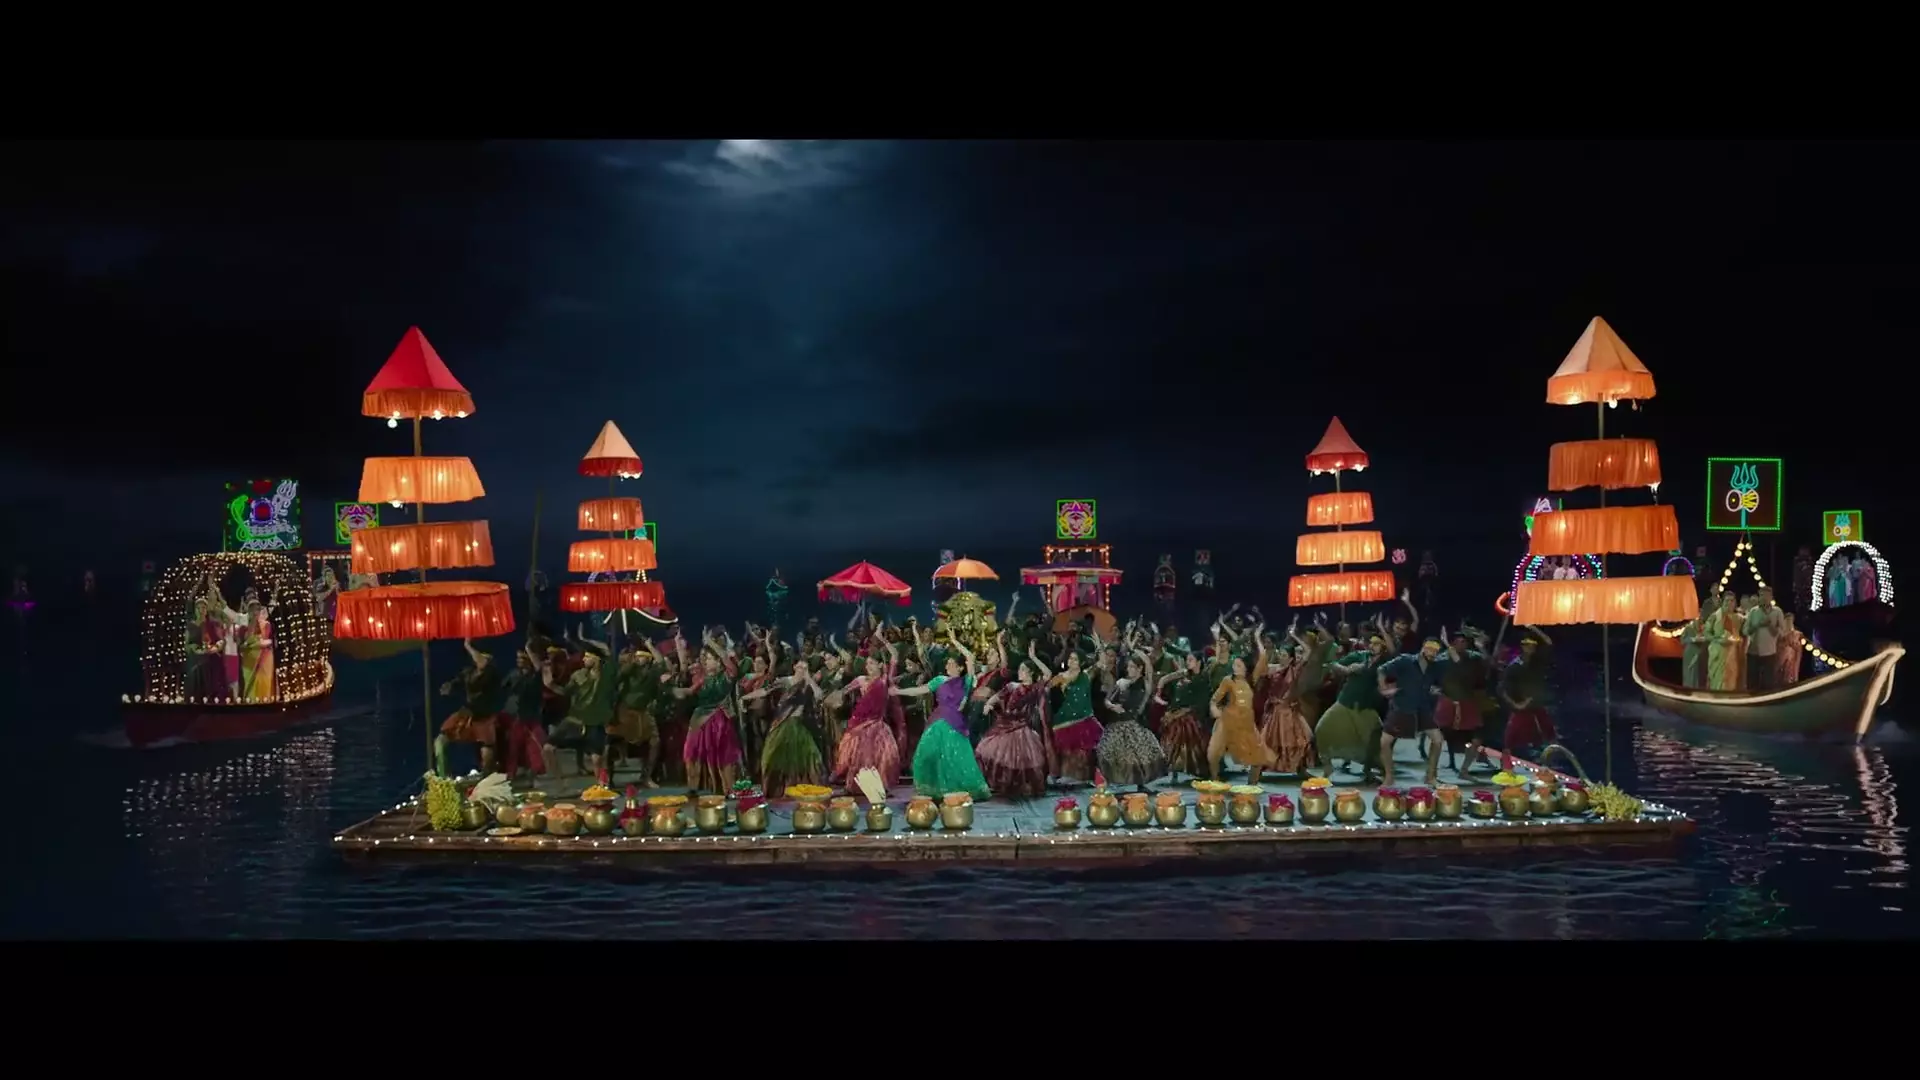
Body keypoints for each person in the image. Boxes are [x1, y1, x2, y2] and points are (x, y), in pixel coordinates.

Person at [893, 634, 992, 799]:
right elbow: (921, 690)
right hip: (938, 721)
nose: (948, 666)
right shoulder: (940, 680)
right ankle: (935, 789)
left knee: (953, 759)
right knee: (925, 753)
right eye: (947, 663)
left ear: (960, 668)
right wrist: (898, 691)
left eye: (952, 664)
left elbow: (970, 657)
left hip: (955, 724)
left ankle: (954, 792)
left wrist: (954, 641)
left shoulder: (966, 682)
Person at [669, 630, 743, 794]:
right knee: (691, 751)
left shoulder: (727, 675)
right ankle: (693, 788)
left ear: (719, 663)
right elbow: (689, 691)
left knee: (724, 756)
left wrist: (711, 642)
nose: (705, 662)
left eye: (709, 659)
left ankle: (728, 789)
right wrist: (671, 690)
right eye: (705, 659)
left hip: (719, 721)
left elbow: (725, 657)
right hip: (699, 719)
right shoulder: (703, 679)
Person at [1207, 623, 1278, 784]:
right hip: (1227, 721)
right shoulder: (1228, 681)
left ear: (1246, 668)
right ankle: (1214, 782)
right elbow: (1214, 700)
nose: (1235, 667)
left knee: (1258, 757)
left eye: (1239, 665)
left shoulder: (1251, 680)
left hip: (1246, 724)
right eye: (1234, 665)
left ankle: (1251, 785)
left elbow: (1263, 657)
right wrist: (1214, 709)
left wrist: (1257, 637)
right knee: (1213, 754)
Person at [543, 625, 618, 779]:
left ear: (596, 659)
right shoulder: (578, 675)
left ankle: (601, 787)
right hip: (576, 719)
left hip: (595, 721)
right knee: (548, 748)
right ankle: (560, 785)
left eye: (587, 657)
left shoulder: (607, 673)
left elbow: (605, 649)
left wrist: (583, 639)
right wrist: (551, 686)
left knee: (597, 759)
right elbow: (565, 692)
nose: (583, 659)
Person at [1314, 634, 1390, 782]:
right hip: (1346, 701)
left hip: (1366, 706)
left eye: (1376, 644)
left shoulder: (1385, 663)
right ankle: (1327, 768)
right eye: (1371, 643)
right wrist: (1347, 669)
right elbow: (1334, 664)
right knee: (1321, 729)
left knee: (1373, 740)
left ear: (1383, 646)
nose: (1372, 646)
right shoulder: (1360, 655)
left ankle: (1368, 770)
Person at [831, 640, 905, 792]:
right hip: (859, 724)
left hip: (877, 726)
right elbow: (842, 691)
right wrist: (836, 694)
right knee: (857, 755)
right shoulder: (861, 680)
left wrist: (882, 639)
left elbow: (895, 656)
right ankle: (855, 785)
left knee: (880, 757)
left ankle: (877, 786)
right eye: (867, 664)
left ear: (880, 665)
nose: (868, 666)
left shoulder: (885, 680)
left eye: (872, 663)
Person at [747, 657, 826, 797]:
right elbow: (765, 691)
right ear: (794, 667)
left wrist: (809, 679)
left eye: (805, 668)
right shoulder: (784, 681)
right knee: (770, 755)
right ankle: (773, 788)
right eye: (800, 667)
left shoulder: (807, 684)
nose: (802, 671)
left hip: (798, 725)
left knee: (810, 758)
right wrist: (745, 697)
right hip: (781, 723)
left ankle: (803, 789)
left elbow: (819, 695)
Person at [978, 656, 1052, 798]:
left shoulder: (1036, 688)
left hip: (1022, 728)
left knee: (1024, 760)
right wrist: (988, 704)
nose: (1019, 672)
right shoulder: (1012, 686)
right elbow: (997, 696)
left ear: (1031, 672)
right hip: (1006, 725)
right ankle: (1001, 784)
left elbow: (1048, 674)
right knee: (988, 750)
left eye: (1023, 669)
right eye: (1019, 669)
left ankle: (1020, 787)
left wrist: (1033, 657)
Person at [1096, 649, 1168, 791]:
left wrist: (1137, 651)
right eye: (1128, 666)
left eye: (1132, 667)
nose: (1129, 669)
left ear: (1139, 669)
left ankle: (1141, 784)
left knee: (1139, 754)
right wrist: (1113, 707)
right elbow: (1107, 700)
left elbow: (1149, 670)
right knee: (1107, 752)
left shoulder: (1145, 685)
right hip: (1117, 722)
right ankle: (1109, 784)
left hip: (1134, 723)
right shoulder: (1122, 683)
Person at [1378, 637, 1445, 787]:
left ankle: (1430, 777)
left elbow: (1437, 685)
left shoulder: (1435, 666)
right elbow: (1382, 670)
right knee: (1384, 742)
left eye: (1435, 651)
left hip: (1423, 707)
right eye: (1430, 649)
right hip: (1402, 706)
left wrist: (1435, 690)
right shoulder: (1406, 660)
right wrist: (1384, 689)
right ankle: (1389, 777)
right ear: (1423, 647)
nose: (1432, 653)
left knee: (1438, 740)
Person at [437, 637, 504, 776]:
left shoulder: (491, 671)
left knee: (486, 751)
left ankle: (488, 775)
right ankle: (444, 777)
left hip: (485, 716)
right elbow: (458, 681)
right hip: (468, 713)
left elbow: (483, 665)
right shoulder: (468, 672)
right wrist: (449, 686)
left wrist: (468, 645)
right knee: (441, 741)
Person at [1434, 625, 1492, 775]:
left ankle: (1464, 769)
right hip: (1448, 702)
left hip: (1467, 702)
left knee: (1477, 737)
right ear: (1453, 643)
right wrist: (1433, 688)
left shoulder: (1473, 657)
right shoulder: (1441, 659)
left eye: (1464, 642)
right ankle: (1434, 768)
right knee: (1441, 736)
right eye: (1459, 642)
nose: (1463, 644)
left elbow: (1487, 662)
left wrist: (1481, 647)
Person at [1499, 627, 1556, 772]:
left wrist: (1533, 628)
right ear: (1522, 646)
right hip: (1522, 708)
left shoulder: (1538, 661)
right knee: (1510, 739)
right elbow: (1502, 690)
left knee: (1550, 736)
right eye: (1528, 645)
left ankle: (1547, 768)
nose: (1531, 648)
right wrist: (1516, 705)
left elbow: (1548, 642)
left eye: (1533, 645)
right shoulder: (1514, 666)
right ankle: (1506, 768)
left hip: (1537, 706)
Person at [1047, 651, 1104, 785]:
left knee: (1081, 751)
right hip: (1066, 718)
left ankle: (1080, 777)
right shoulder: (1061, 676)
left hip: (1083, 717)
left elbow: (1100, 663)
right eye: (1070, 658)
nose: (1071, 661)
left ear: (1081, 662)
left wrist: (1100, 647)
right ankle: (1064, 774)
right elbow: (1045, 687)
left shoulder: (1086, 675)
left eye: (1075, 659)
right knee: (1067, 749)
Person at [611, 644, 662, 786]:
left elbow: (662, 662)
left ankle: (647, 776)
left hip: (644, 712)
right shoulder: (630, 671)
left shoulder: (653, 672)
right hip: (625, 712)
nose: (638, 658)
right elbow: (617, 679)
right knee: (612, 741)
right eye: (637, 656)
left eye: (641, 656)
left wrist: (650, 646)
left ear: (648, 658)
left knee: (655, 742)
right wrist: (630, 664)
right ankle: (607, 778)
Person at [1155, 651, 1211, 781]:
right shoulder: (1185, 674)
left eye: (1191, 660)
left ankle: (1187, 767)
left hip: (1192, 713)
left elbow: (1199, 703)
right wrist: (1159, 689)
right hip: (1177, 708)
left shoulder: (1203, 678)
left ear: (1199, 662)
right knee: (1170, 727)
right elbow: (1165, 679)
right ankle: (1172, 770)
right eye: (1187, 660)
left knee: (1182, 728)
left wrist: (1179, 713)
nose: (1188, 662)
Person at [1743, 587, 1782, 691]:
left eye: (1766, 595)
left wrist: (1770, 625)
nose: (1764, 598)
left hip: (1769, 652)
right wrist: (1757, 625)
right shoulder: (1753, 611)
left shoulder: (1777, 612)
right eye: (1761, 595)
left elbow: (1781, 633)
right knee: (1752, 684)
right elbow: (1745, 631)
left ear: (1771, 597)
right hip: (1753, 652)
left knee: (1768, 684)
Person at [1681, 609, 1708, 690]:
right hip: (1690, 653)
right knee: (1689, 673)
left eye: (1700, 615)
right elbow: (1682, 640)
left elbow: (1707, 637)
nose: (1699, 617)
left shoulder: (1704, 626)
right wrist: (1693, 639)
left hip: (1700, 653)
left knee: (1699, 674)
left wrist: (1703, 638)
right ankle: (1688, 689)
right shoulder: (1688, 627)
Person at [1775, 613, 1806, 686]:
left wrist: (1795, 645)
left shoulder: (1797, 634)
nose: (1789, 621)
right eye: (1787, 620)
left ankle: (1792, 680)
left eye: (1790, 620)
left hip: (1793, 656)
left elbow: (1798, 647)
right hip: (1782, 655)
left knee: (1791, 670)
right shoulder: (1779, 633)